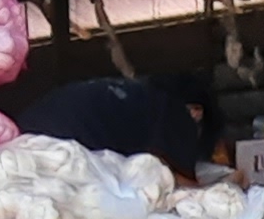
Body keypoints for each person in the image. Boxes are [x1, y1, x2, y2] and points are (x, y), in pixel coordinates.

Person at [14, 71, 221, 178]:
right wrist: (229, 184)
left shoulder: (137, 100)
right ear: (196, 112)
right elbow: (184, 189)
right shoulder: (175, 113)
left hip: (20, 141)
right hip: (59, 154)